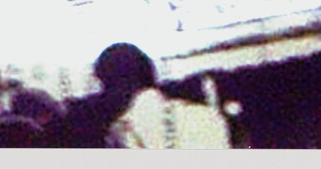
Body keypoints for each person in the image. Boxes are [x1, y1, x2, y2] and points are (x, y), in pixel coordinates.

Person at [93, 42, 231, 149]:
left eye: (104, 87)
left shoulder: (121, 134)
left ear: (116, 87)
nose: (103, 98)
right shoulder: (206, 116)